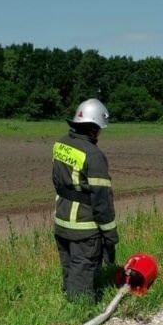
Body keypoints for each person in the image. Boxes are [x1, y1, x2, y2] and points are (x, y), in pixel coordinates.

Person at [52, 98, 118, 301]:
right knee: (83, 272)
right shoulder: (93, 155)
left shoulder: (61, 144)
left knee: (69, 268)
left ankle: (68, 303)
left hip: (61, 221)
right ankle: (81, 312)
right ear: (93, 128)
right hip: (84, 227)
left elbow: (56, 180)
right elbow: (102, 201)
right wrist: (110, 235)